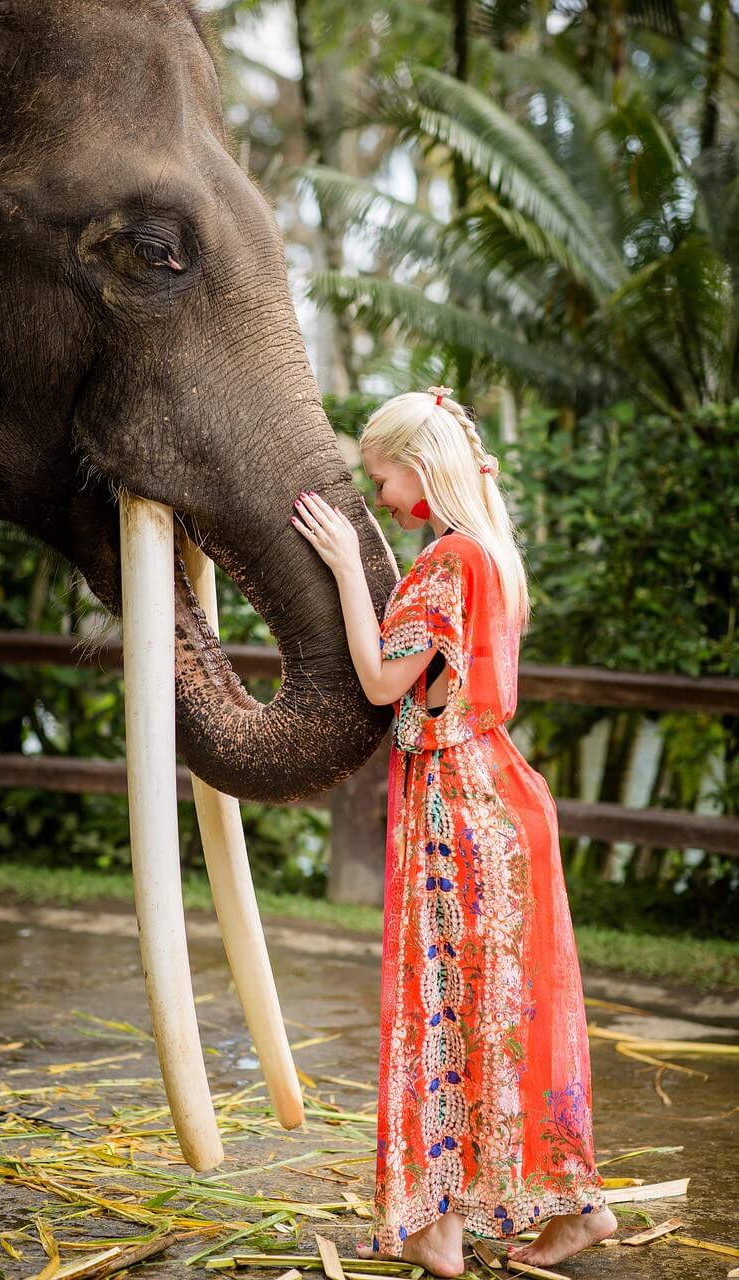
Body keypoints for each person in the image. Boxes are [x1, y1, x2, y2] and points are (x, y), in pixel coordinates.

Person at [290, 386, 616, 1277]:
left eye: (381, 476)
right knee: (508, 1016)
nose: (380, 496)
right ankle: (570, 1207)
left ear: (417, 466)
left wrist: (351, 569)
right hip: (503, 797)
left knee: (446, 1005)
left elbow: (380, 682)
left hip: (456, 811)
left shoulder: (445, 562)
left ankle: (442, 1222)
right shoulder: (491, 555)